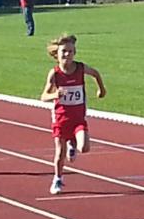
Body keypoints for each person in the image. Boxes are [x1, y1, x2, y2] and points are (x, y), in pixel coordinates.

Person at [40, 34, 106, 195]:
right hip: (61, 118)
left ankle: (73, 144)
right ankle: (57, 178)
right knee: (60, 152)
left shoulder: (81, 68)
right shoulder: (55, 73)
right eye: (64, 51)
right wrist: (55, 95)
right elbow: (43, 96)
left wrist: (101, 89)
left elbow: (96, 73)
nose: (67, 54)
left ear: (74, 53)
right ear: (57, 54)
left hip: (78, 119)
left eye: (70, 51)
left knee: (84, 148)